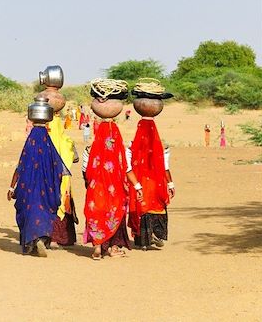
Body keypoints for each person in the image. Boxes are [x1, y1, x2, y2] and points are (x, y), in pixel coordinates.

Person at [82, 119, 140, 260]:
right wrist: (138, 186)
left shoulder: (90, 150)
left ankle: (97, 248)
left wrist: (91, 185)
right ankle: (114, 248)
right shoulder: (121, 151)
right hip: (116, 190)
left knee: (97, 215)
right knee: (115, 215)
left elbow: (85, 171)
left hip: (96, 190)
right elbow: (127, 169)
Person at [8, 122, 66, 257]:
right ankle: (41, 239)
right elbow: (59, 171)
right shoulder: (50, 152)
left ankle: (32, 242)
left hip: (28, 190)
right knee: (44, 214)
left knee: (28, 214)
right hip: (46, 192)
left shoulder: (29, 149)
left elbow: (19, 168)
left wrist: (12, 187)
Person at [129, 119, 175, 249]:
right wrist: (170, 184)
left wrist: (134, 185)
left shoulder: (132, 148)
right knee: (157, 206)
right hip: (156, 183)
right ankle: (156, 234)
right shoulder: (162, 147)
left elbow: (128, 168)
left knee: (143, 207)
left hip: (140, 182)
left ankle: (143, 240)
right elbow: (165, 168)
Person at [48, 110, 79, 246]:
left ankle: (49, 236)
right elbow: (76, 158)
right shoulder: (67, 141)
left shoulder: (43, 140)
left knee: (50, 202)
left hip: (48, 178)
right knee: (64, 203)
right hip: (65, 178)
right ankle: (65, 238)